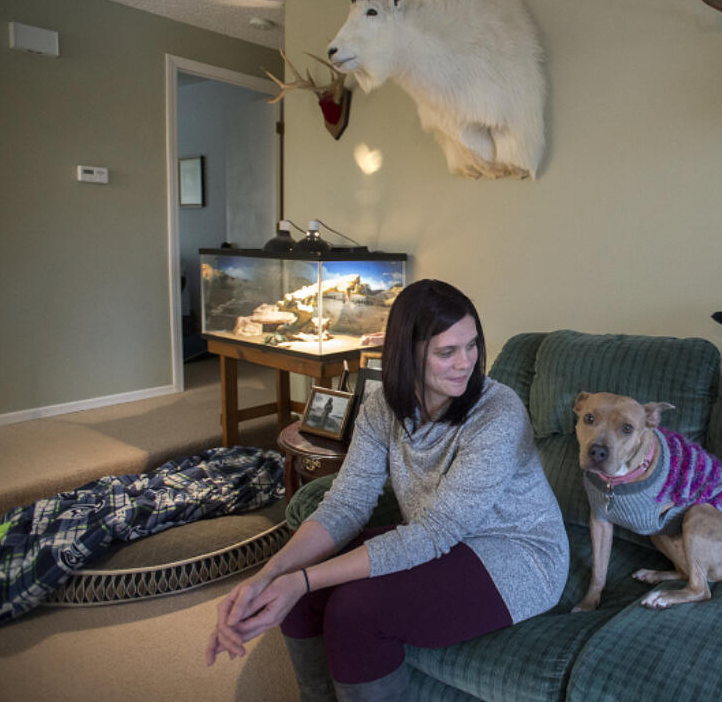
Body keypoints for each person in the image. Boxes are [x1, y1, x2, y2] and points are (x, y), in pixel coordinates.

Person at [206, 280, 569, 701]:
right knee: (299, 589)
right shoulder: (381, 408)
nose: (466, 363)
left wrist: (302, 580)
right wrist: (269, 576)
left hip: (516, 555)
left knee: (354, 612)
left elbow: (434, 532)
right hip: (440, 541)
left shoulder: (498, 413)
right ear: (406, 354)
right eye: (446, 352)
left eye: (471, 346)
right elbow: (347, 502)